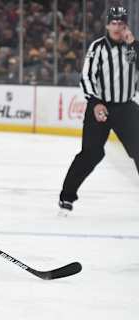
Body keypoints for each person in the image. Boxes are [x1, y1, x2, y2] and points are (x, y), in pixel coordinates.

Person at [58, 6, 139, 216]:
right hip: (99, 107)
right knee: (91, 153)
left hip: (125, 107)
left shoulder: (132, 48)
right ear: (107, 25)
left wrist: (134, 44)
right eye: (114, 23)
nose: (117, 27)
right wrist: (95, 102)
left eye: (121, 23)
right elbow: (86, 77)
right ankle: (66, 197)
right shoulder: (98, 48)